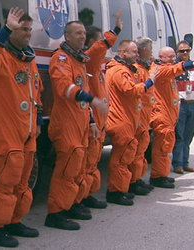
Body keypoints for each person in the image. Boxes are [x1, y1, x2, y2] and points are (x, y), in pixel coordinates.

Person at [0, 8, 43, 248]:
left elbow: (37, 93)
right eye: (22, 29)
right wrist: (6, 29)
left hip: (26, 131)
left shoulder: (28, 60)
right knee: (6, 180)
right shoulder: (1, 57)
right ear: (12, 31)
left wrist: (37, 121)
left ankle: (15, 220)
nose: (27, 34)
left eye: (29, 29)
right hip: (5, 129)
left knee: (23, 181)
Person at [44, 21, 108, 230]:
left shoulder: (78, 61)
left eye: (83, 33)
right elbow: (64, 87)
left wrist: (91, 121)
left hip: (80, 123)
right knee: (67, 169)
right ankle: (55, 213)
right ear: (67, 36)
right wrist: (93, 100)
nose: (82, 36)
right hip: (66, 123)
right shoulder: (60, 58)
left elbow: (82, 94)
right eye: (78, 33)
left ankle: (70, 204)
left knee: (77, 167)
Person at [105, 40, 157, 205]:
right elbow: (130, 90)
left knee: (126, 155)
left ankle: (121, 188)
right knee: (121, 158)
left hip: (126, 118)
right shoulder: (119, 71)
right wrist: (149, 82)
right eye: (134, 52)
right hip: (121, 119)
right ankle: (115, 192)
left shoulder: (123, 70)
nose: (137, 55)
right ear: (122, 52)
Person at [81, 11, 122, 209]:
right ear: (92, 42)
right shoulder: (90, 59)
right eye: (100, 42)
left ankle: (87, 194)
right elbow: (98, 50)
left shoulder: (96, 67)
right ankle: (80, 197)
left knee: (93, 161)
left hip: (99, 120)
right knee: (85, 162)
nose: (104, 48)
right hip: (91, 119)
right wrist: (115, 31)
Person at [149, 46, 194, 189]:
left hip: (169, 115)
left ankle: (162, 175)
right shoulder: (159, 69)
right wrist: (193, 64)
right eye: (171, 57)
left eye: (174, 56)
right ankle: (157, 177)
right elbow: (174, 70)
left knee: (166, 148)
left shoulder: (166, 70)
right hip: (161, 115)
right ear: (161, 57)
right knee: (162, 148)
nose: (174, 59)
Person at [172, 40, 194, 174]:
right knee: (179, 135)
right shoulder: (174, 67)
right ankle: (177, 164)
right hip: (180, 105)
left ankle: (185, 162)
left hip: (192, 104)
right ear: (177, 52)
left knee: (189, 135)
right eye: (182, 51)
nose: (185, 53)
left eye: (187, 50)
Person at [127, 37, 156, 195]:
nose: (152, 52)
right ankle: (132, 182)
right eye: (150, 49)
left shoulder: (145, 68)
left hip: (145, 116)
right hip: (138, 116)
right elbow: (136, 93)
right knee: (135, 151)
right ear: (144, 50)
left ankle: (137, 179)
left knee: (141, 151)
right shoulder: (136, 69)